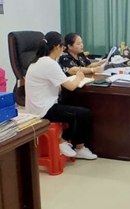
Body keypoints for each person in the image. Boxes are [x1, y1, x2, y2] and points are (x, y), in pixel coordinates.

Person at [25, 31, 97, 160]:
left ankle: (76, 145)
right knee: (84, 114)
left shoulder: (36, 61)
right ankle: (64, 141)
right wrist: (79, 77)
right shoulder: (50, 63)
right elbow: (71, 86)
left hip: (35, 107)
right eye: (62, 47)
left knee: (74, 108)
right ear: (57, 47)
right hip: (44, 110)